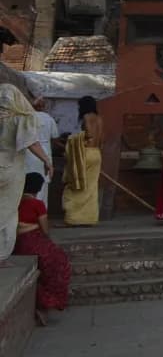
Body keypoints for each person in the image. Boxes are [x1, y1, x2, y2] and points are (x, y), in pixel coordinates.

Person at [2, 82, 53, 259]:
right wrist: (46, 160)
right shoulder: (19, 119)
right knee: (8, 211)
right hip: (10, 169)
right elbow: (31, 142)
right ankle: (2, 254)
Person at [13, 172, 71, 325]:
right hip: (34, 242)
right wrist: (34, 226)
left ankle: (41, 303)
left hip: (16, 244)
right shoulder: (37, 204)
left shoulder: (15, 202)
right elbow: (45, 230)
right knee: (59, 262)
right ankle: (46, 303)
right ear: (38, 189)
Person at [62, 96, 103, 226]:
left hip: (85, 154)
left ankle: (73, 218)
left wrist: (71, 138)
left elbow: (89, 135)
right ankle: (88, 218)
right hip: (97, 153)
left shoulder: (86, 117)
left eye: (79, 107)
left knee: (76, 184)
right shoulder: (100, 119)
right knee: (91, 188)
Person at [25, 99, 59, 204]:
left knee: (27, 182)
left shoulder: (27, 117)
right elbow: (55, 137)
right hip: (44, 153)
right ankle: (40, 212)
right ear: (44, 107)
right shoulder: (49, 119)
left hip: (29, 152)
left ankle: (27, 212)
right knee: (43, 184)